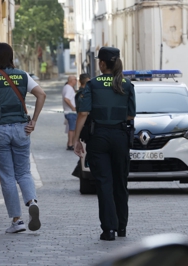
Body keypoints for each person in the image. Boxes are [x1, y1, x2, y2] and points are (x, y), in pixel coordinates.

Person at [0, 42, 46, 234]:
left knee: (7, 176)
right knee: (23, 172)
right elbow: (41, 94)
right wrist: (34, 121)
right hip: (22, 129)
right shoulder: (23, 75)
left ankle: (17, 220)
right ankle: (31, 202)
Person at [72, 47, 136, 241]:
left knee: (104, 183)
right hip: (120, 136)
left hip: (98, 137)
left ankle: (108, 230)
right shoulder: (126, 84)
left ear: (101, 64)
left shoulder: (92, 84)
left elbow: (83, 113)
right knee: (120, 182)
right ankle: (122, 227)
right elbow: (131, 114)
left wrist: (76, 139)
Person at [62, 75, 78, 150]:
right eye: (75, 79)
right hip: (71, 112)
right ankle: (70, 144)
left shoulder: (67, 87)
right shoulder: (69, 88)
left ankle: (69, 142)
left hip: (68, 111)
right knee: (72, 128)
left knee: (70, 128)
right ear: (72, 80)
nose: (76, 81)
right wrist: (73, 108)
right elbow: (66, 99)